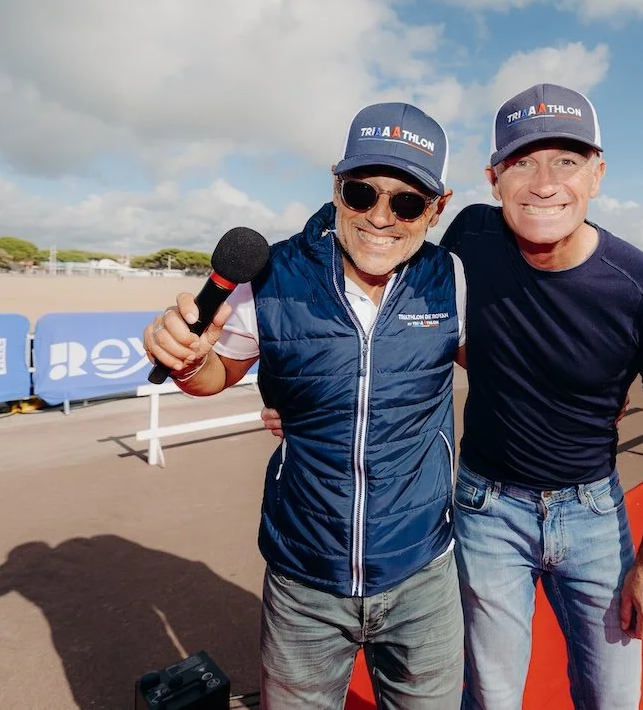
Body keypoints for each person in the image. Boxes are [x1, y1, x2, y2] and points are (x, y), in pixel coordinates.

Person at [142, 102, 466, 709]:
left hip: (425, 570)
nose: (379, 217)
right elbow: (214, 375)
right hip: (304, 577)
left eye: (406, 202)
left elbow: (519, 373)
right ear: (336, 185)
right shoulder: (273, 274)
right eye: (362, 192)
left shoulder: (453, 278)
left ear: (438, 206)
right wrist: (184, 356)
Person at [440, 83, 643, 709]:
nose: (544, 181)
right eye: (523, 162)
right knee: (492, 699)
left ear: (598, 175)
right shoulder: (469, 236)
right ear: (494, 179)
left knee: (611, 699)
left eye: (566, 160)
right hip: (486, 509)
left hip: (593, 516)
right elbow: (395, 294)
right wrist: (309, 396)